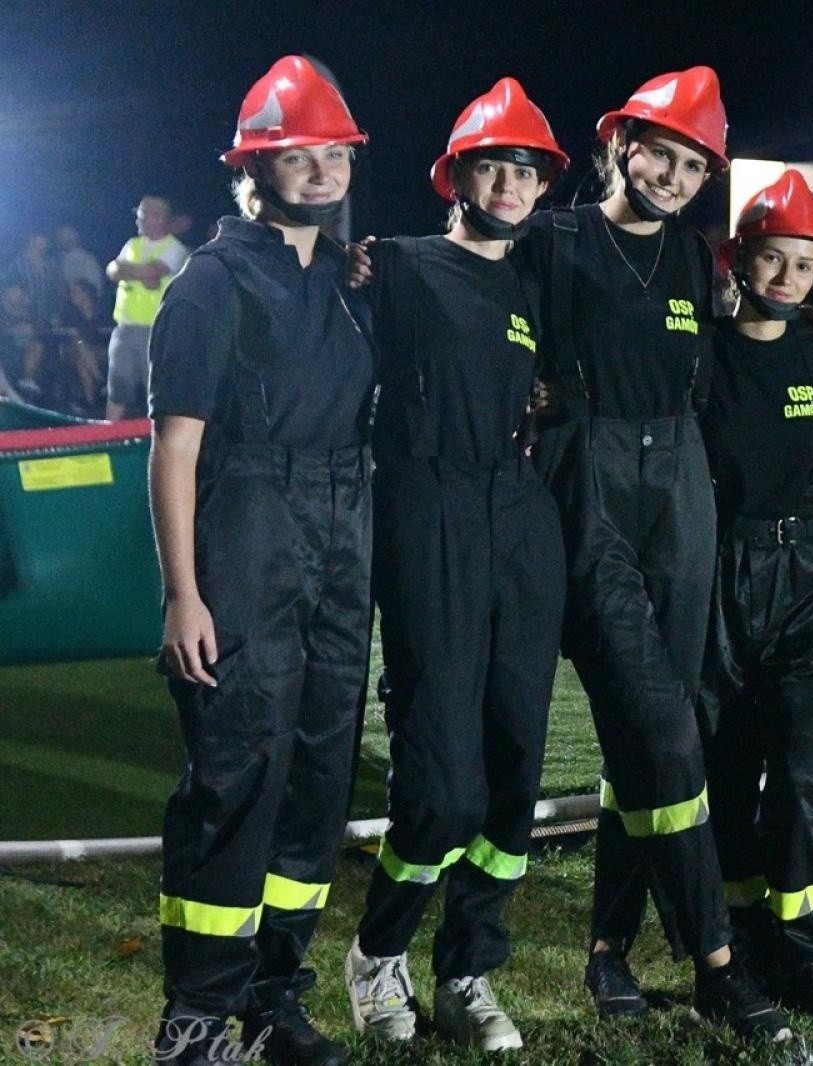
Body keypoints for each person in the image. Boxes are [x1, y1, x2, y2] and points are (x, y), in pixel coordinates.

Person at [521, 67, 813, 1043]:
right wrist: (378, 263)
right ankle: (716, 962)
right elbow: (462, 278)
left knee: (659, 734)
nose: (669, 172)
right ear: (618, 144)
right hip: (590, 483)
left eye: (691, 162)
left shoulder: (703, 262)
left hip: (683, 493)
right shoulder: (553, 239)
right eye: (656, 150)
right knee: (661, 728)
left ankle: (609, 947)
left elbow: (734, 356)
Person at [147, 55, 374, 1065]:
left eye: (334, 154)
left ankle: (273, 997)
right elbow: (176, 446)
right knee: (235, 776)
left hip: (341, 534)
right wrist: (184, 594)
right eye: (298, 156)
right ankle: (196, 1012)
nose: (321, 171)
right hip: (244, 531)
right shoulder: (208, 282)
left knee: (319, 778)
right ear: (254, 169)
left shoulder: (347, 273)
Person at [340, 77, 568, 1053]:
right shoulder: (390, 264)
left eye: (526, 169)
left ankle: (469, 969)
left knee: (515, 766)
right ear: (457, 173)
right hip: (425, 510)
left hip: (520, 519)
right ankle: (376, 954)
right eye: (494, 164)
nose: (510, 182)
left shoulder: (539, 283)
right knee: (441, 785)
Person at [698, 170, 813, 1019]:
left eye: (804, 265)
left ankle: (808, 948)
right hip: (724, 574)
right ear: (739, 263)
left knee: (799, 772)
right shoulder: (702, 356)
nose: (788, 279)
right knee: (728, 771)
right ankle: (743, 940)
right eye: (772, 260)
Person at [106, 195, 189, 419]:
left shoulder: (175, 248)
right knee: (117, 387)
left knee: (155, 389)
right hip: (124, 328)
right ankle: (109, 435)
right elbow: (111, 270)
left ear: (159, 218)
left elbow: (153, 272)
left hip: (155, 331)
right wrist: (135, 272)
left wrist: (126, 270)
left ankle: (158, 441)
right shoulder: (132, 244)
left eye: (142, 215)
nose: (138, 220)